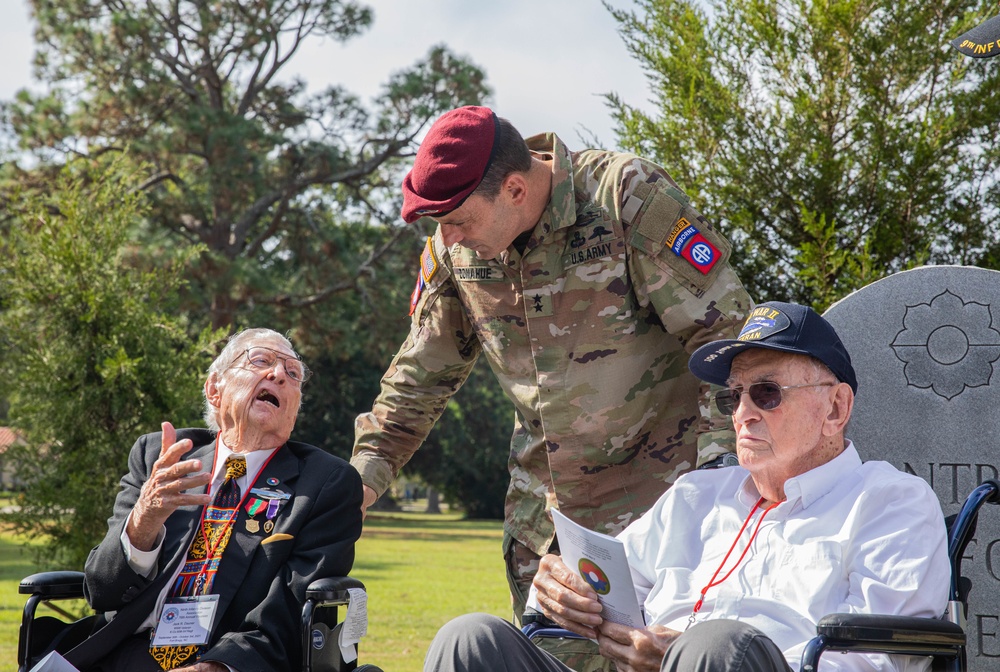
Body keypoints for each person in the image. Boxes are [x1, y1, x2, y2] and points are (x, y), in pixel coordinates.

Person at [351, 105, 752, 667]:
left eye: (459, 220)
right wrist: (358, 485)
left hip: (667, 521)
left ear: (515, 188)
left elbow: (729, 347)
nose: (449, 237)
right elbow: (420, 376)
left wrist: (716, 494)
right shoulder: (456, 247)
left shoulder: (624, 200)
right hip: (548, 542)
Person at [423, 301, 950, 672]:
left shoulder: (889, 502)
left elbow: (884, 659)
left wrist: (690, 659)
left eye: (766, 393)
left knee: (716, 647)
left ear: (835, 408)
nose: (742, 414)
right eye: (733, 397)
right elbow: (607, 586)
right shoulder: (696, 496)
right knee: (470, 640)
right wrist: (562, 590)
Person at [52, 328, 363, 672]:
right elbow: (102, 591)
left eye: (293, 375)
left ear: (293, 411)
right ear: (215, 389)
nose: (279, 375)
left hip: (229, 659)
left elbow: (287, 614)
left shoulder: (325, 483)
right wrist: (144, 519)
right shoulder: (161, 456)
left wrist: (215, 667)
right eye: (261, 360)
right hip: (123, 651)